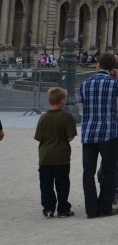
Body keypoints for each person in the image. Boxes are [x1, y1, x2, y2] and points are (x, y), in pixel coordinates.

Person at [79, 52, 118, 219]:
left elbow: (82, 100)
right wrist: (117, 78)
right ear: (113, 68)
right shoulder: (114, 83)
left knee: (88, 172)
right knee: (109, 171)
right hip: (109, 132)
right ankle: (105, 207)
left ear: (98, 64)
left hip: (89, 132)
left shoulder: (85, 84)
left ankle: (91, 209)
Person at [35, 86, 77, 218]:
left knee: (46, 184)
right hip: (61, 156)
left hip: (45, 155)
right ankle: (63, 208)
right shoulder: (67, 116)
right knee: (62, 183)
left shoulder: (43, 117)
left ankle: (48, 208)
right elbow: (70, 136)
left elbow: (39, 137)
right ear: (62, 101)